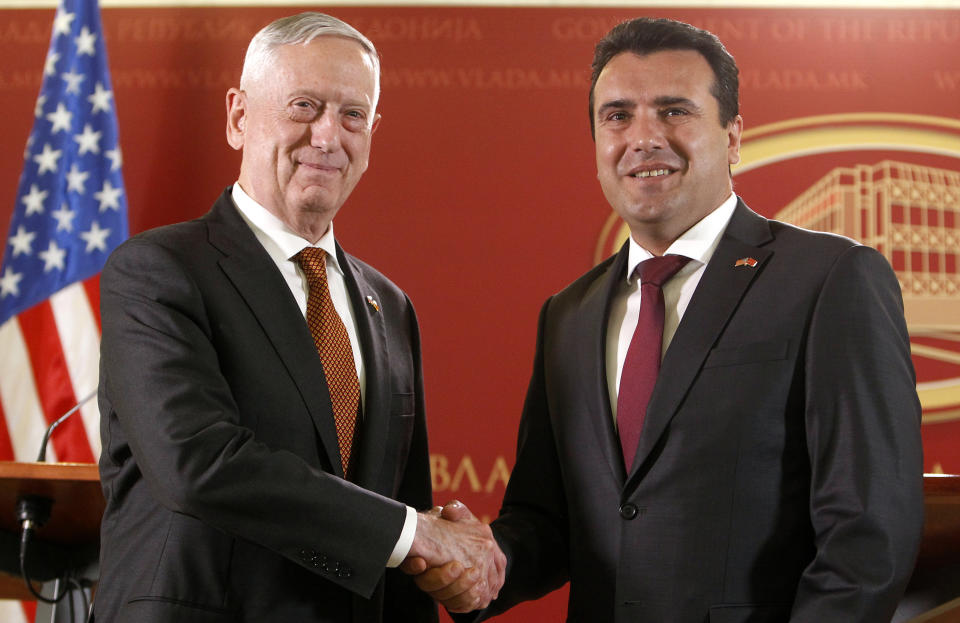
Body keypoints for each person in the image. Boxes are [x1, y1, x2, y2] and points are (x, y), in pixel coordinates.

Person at [413, 16, 924, 622]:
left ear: (733, 136)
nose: (643, 137)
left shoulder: (832, 279)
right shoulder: (568, 317)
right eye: (618, 115)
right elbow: (550, 522)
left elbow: (867, 538)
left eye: (675, 111)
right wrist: (477, 558)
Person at [95, 12, 502, 623]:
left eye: (353, 115)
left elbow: (400, 509)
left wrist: (448, 564)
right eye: (304, 106)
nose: (328, 136)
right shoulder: (157, 270)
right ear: (239, 117)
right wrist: (416, 535)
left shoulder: (388, 306)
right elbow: (198, 465)